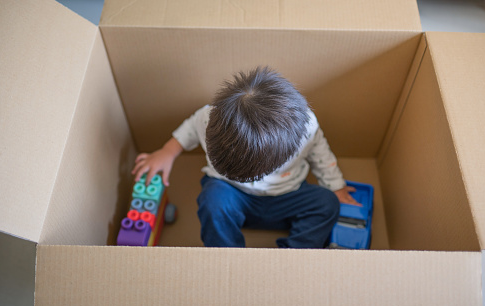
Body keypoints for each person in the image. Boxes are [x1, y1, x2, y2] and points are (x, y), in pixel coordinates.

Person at [132, 66, 360, 248]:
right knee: (212, 200)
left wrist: (335, 186)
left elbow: (321, 152)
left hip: (288, 196)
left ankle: (293, 257)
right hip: (234, 197)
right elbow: (190, 128)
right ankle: (228, 258)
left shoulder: (306, 128)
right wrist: (168, 151)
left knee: (327, 203)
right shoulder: (207, 117)